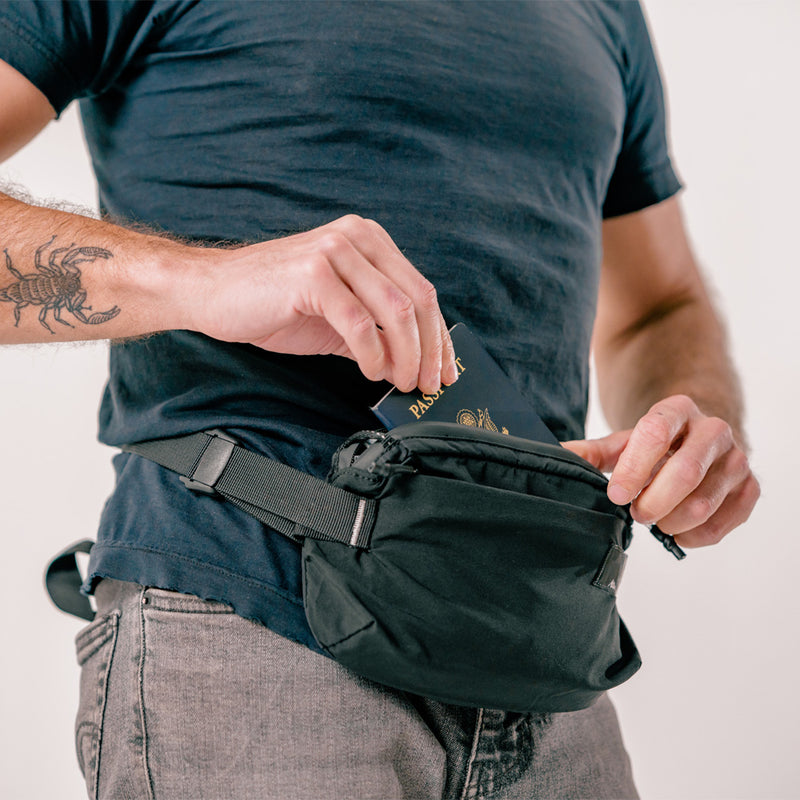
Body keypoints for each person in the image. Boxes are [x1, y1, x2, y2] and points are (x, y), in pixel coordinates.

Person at [0, 2, 759, 799]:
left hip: (542, 647)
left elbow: (660, 304)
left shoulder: (605, 12)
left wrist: (695, 421)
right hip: (253, 623)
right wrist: (204, 280)